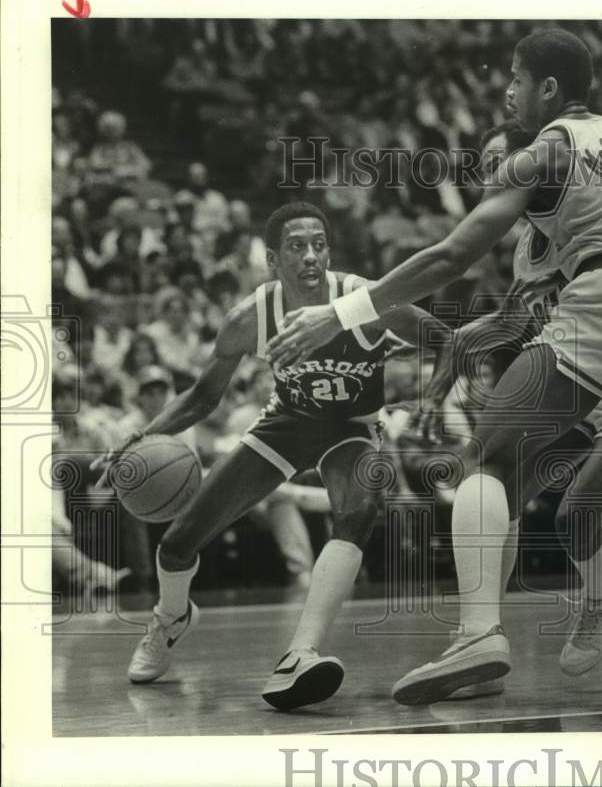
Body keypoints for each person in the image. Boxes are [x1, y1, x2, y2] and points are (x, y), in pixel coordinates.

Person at [268, 30, 602, 719]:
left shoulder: (543, 153)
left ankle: (480, 632)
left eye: (514, 79)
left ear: (548, 89)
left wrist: (341, 312)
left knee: (486, 460)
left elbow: (450, 255)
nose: (506, 92)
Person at [93, 202, 448, 711]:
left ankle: (300, 653)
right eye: (297, 247)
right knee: (176, 544)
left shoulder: (364, 301)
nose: (311, 256)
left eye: (319, 244)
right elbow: (202, 397)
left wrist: (432, 400)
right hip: (288, 424)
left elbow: (448, 342)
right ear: (273, 260)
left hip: (350, 427)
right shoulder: (249, 317)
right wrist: (139, 437)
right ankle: (172, 617)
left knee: (360, 511)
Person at [415, 121, 602, 688]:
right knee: (495, 488)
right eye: (486, 164)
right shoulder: (524, 247)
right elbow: (508, 321)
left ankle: (601, 598)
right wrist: (441, 377)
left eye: (501, 160)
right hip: (567, 399)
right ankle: (482, 637)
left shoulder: (582, 216)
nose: (492, 174)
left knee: (577, 515)